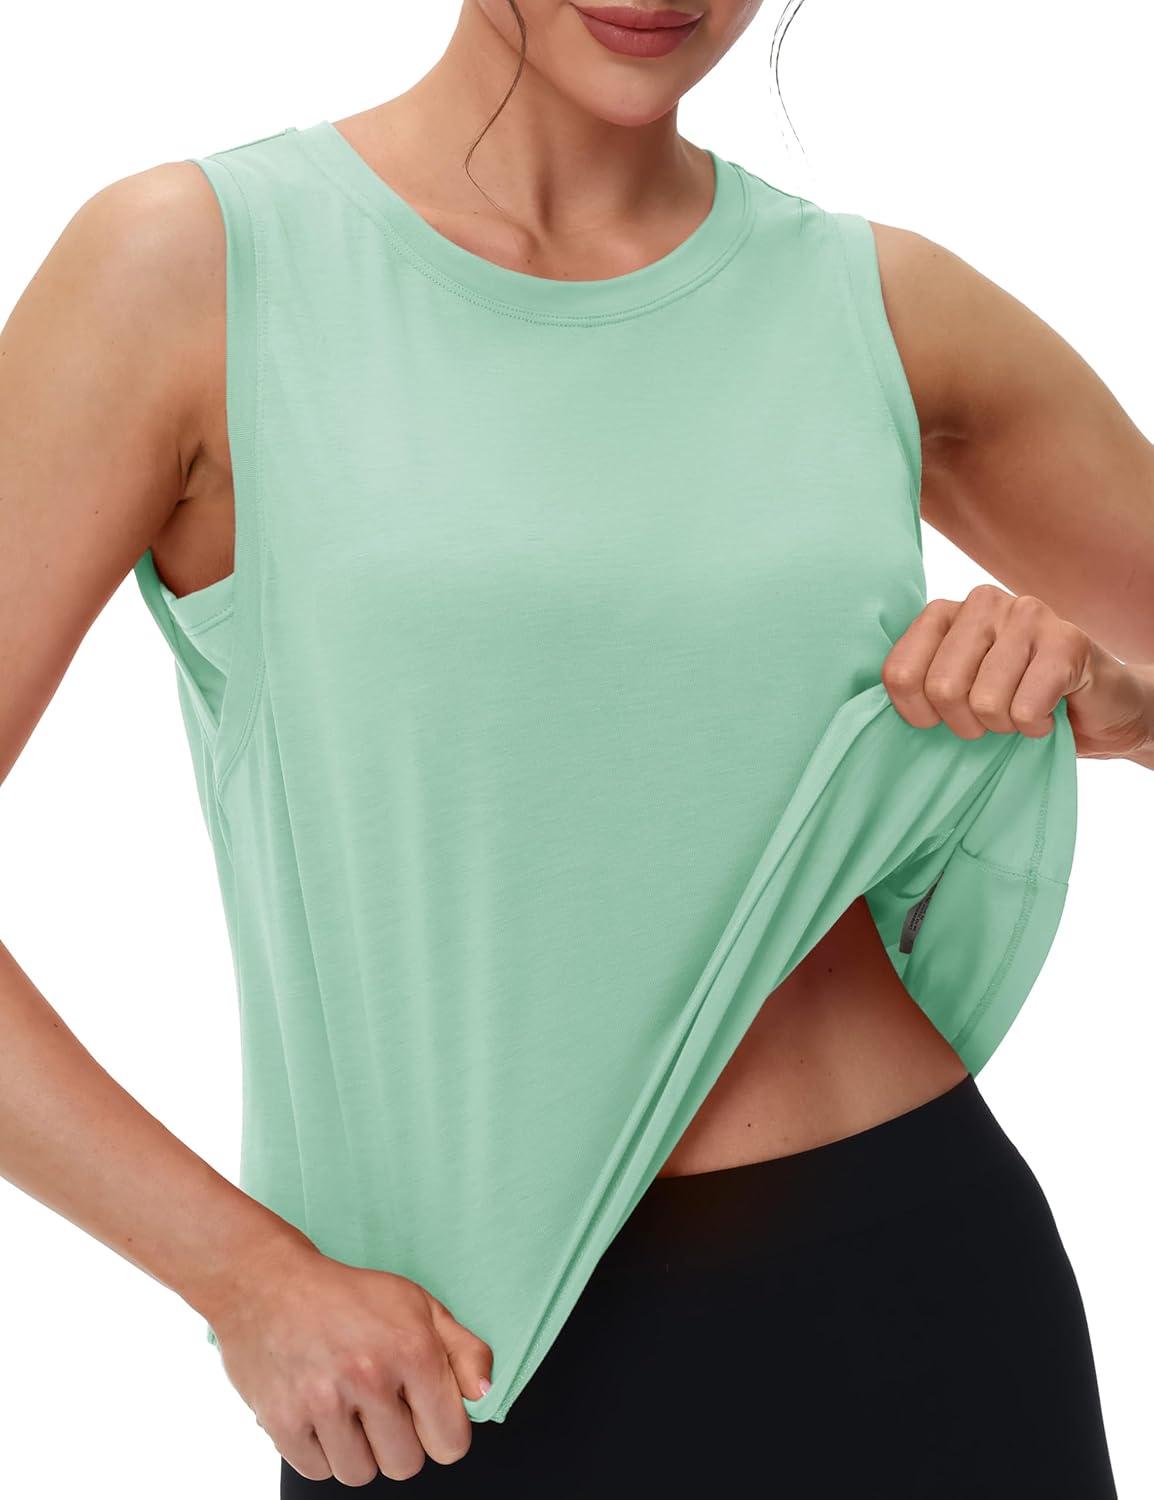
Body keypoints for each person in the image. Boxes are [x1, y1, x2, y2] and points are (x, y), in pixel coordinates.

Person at [0, 2, 1147, 1494]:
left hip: (916, 1289)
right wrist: (244, 1279)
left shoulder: (868, 297)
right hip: (453, 1378)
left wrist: (1119, 697)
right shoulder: (194, 266)